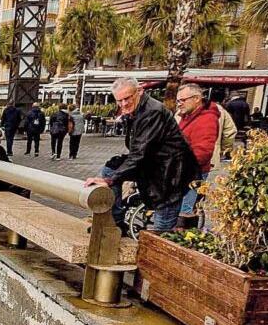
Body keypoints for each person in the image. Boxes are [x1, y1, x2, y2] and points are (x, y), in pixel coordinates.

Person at [85, 77, 199, 233]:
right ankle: (115, 222)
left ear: (139, 92)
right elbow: (137, 150)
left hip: (170, 174)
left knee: (161, 231)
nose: (124, 103)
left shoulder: (152, 112)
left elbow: (140, 152)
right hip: (153, 164)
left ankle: (159, 245)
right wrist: (110, 177)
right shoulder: (135, 111)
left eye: (127, 98)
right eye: (119, 100)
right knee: (110, 170)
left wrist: (110, 180)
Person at [175, 83, 219, 223]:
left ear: (196, 99)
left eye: (183, 100)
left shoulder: (207, 119)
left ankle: (183, 240)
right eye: (178, 101)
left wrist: (181, 166)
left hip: (193, 173)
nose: (179, 104)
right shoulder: (189, 116)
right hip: (183, 170)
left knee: (185, 211)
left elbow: (203, 151)